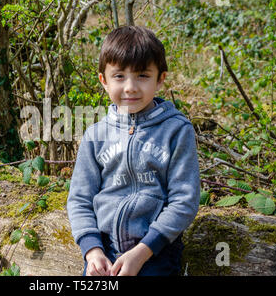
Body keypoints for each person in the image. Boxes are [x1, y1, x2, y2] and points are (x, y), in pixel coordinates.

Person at [66, 26, 200, 276]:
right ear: (103, 81)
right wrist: (92, 250)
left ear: (160, 79)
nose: (130, 87)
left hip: (155, 249)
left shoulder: (176, 130)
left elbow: (185, 199)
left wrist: (144, 251)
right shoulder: (95, 135)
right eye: (119, 76)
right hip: (103, 249)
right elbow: (80, 199)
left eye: (142, 75)